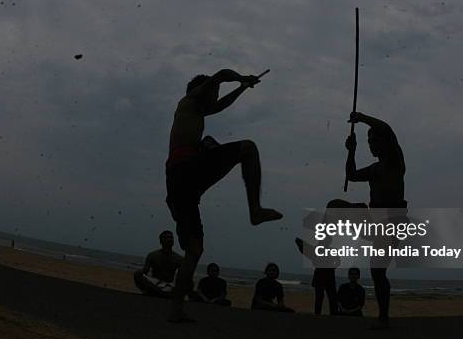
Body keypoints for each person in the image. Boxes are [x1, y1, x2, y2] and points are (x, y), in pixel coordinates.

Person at [165, 69, 283, 322]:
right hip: (185, 171)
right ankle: (255, 210)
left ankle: (176, 310)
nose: (216, 98)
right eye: (214, 92)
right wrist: (241, 77)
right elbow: (220, 74)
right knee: (247, 148)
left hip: (180, 184)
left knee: (194, 250)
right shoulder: (188, 102)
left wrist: (241, 88)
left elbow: (221, 104)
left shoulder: (196, 112)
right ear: (203, 90)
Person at [328, 111, 407, 329]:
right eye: (368, 141)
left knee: (377, 271)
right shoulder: (374, 169)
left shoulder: (395, 162)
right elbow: (351, 175)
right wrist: (351, 151)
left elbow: (387, 129)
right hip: (375, 220)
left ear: (385, 143)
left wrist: (361, 117)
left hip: (392, 221)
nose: (371, 144)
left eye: (374, 140)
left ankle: (383, 316)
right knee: (334, 205)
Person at [295, 237, 339, 315]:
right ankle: (321, 314)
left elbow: (338, 262)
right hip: (323, 276)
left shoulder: (329, 250)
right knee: (322, 297)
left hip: (326, 276)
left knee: (330, 297)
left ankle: (330, 314)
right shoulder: (319, 249)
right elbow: (306, 251)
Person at [133, 230, 183, 297]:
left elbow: (181, 277)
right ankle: (161, 293)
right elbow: (145, 272)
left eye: (171, 237)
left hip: (169, 285)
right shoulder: (152, 255)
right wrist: (140, 274)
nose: (169, 239)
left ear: (173, 241)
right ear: (161, 241)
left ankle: (157, 293)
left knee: (184, 282)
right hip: (155, 283)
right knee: (137, 274)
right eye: (166, 237)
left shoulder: (178, 259)